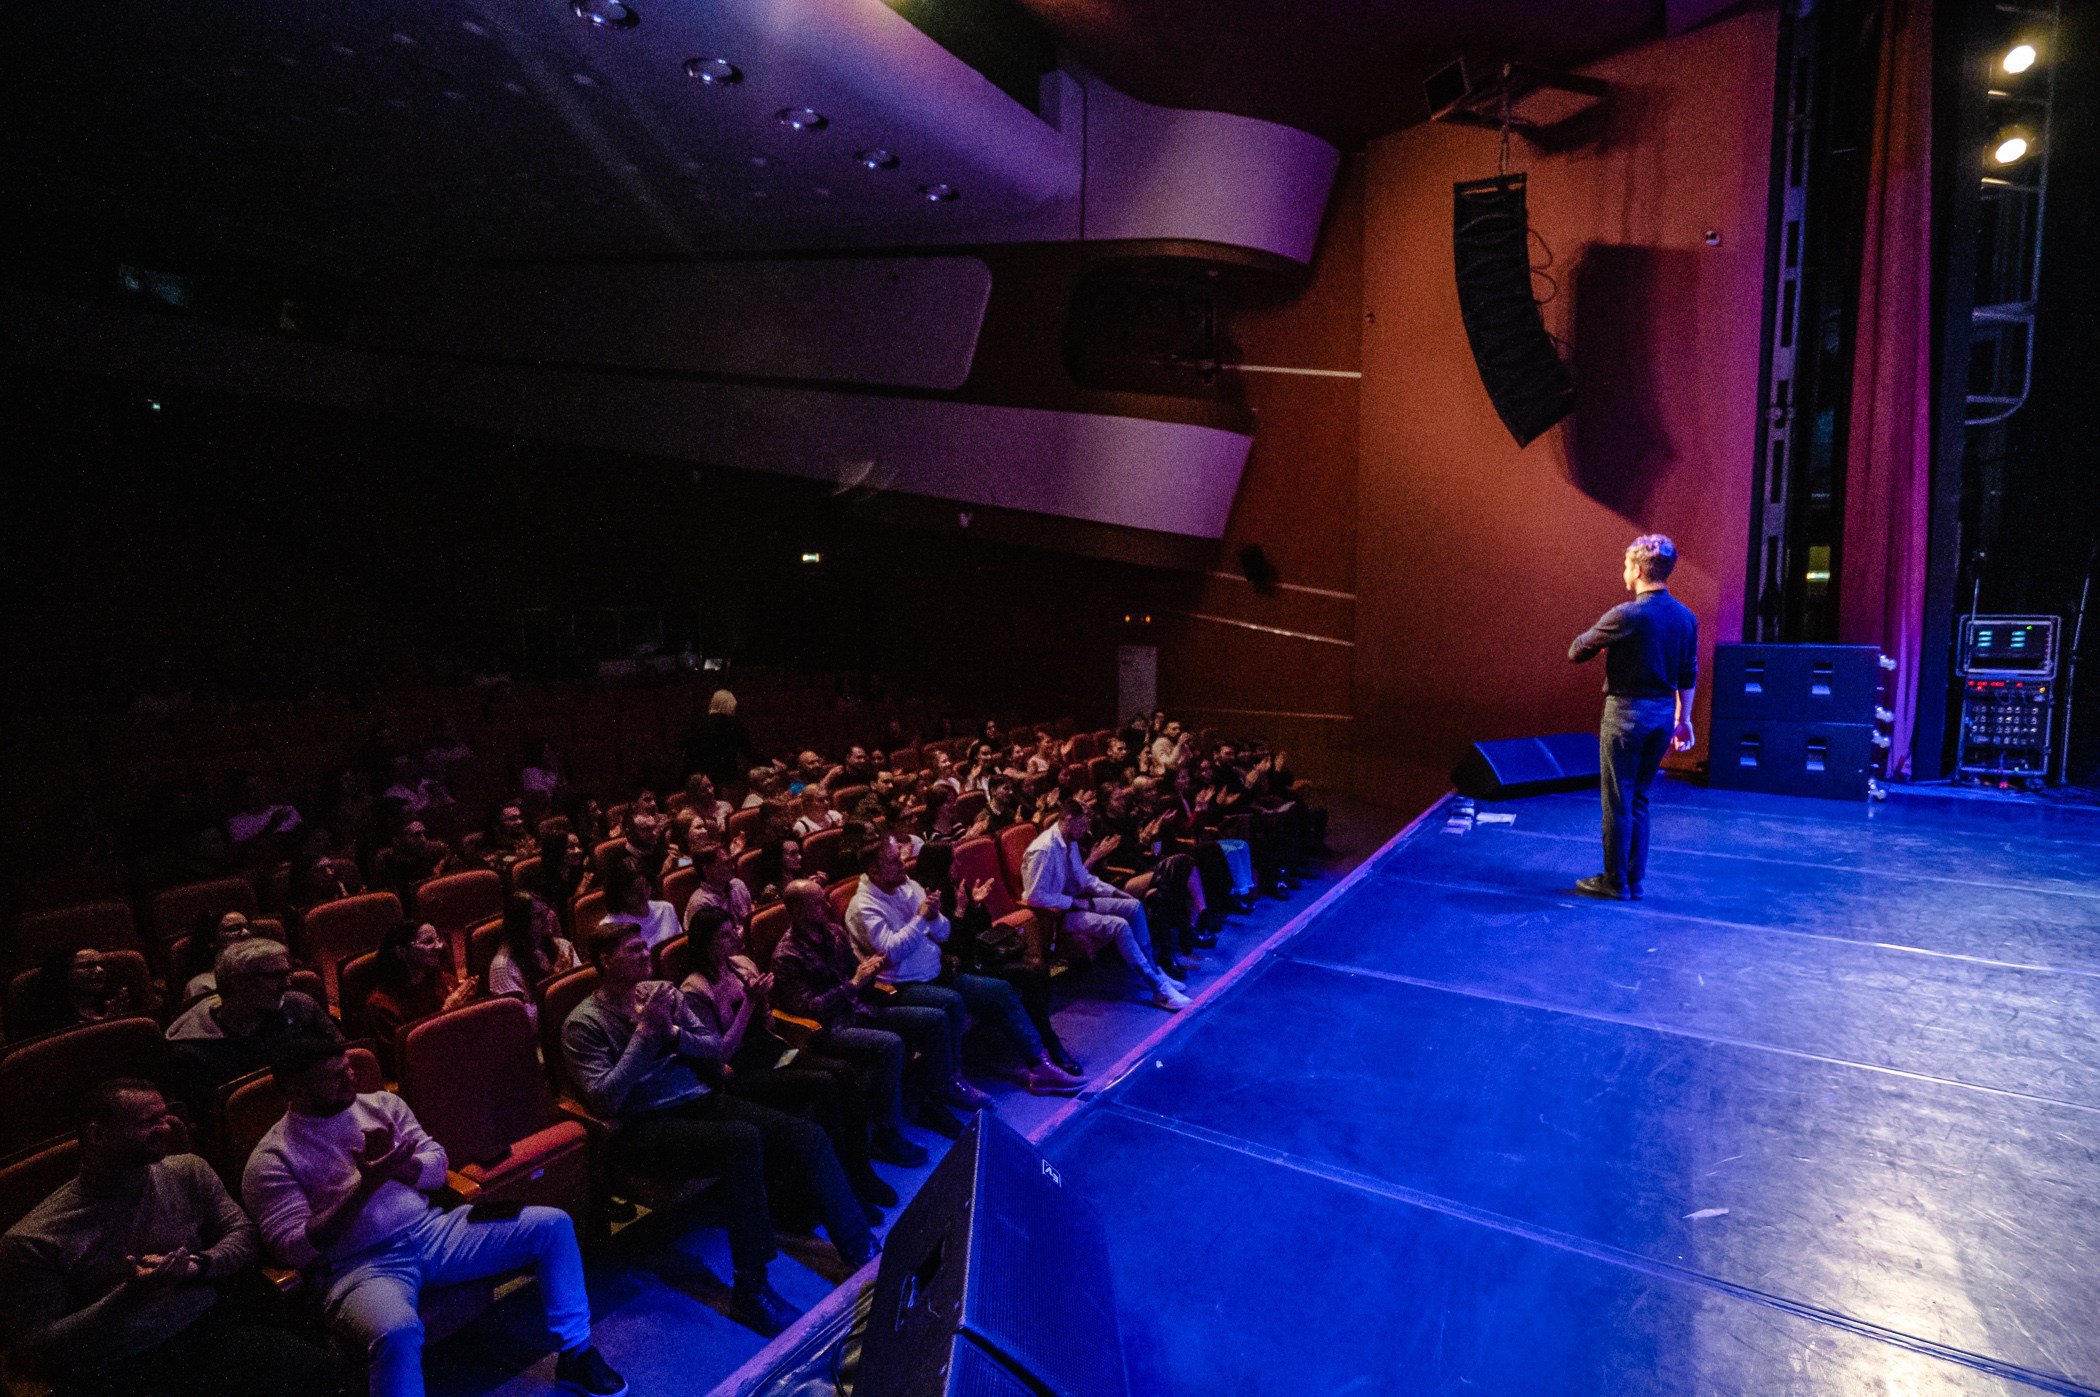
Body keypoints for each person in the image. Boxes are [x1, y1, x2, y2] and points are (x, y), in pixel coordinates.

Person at [242, 1036, 626, 1397]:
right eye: (334, 1076)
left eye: (348, 1068)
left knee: (552, 1225)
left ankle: (576, 1356)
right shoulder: (272, 1158)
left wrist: (399, 1167)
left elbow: (438, 1167)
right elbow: (295, 1248)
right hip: (358, 1269)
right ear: (294, 1090)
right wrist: (366, 1184)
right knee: (397, 1331)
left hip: (432, 1231)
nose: (350, 1078)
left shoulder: (382, 1105)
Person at [561, 923, 872, 1335]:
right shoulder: (583, 1023)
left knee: (805, 1134)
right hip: (643, 1126)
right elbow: (605, 1099)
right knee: (742, 1141)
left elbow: (716, 1047)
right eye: (634, 950)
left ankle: (859, 1247)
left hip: (700, 1101)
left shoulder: (664, 994)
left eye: (644, 947)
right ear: (606, 961)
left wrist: (670, 1033)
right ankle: (751, 1289)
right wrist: (643, 1036)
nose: (645, 954)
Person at [0, 1079, 344, 1397]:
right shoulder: (33, 1239)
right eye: (148, 1122)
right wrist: (126, 1298)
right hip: (124, 1365)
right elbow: (37, 1349)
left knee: (327, 1374)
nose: (165, 1128)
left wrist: (197, 1266)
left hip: (210, 1330)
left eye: (165, 1116)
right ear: (98, 1135)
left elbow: (243, 1236)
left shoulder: (188, 1170)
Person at [676, 905, 899, 1209]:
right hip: (739, 1072)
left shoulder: (741, 965)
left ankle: (860, 1172)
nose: (735, 939)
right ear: (706, 943)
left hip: (773, 1052)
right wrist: (749, 1005)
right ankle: (843, 1186)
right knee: (823, 1085)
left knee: (844, 1073)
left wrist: (763, 1004)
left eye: (734, 931)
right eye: (725, 936)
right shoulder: (695, 989)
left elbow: (768, 1024)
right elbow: (720, 1052)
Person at [847, 838, 1081, 1096]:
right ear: (873, 870)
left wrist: (935, 917)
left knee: (1000, 989)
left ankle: (1040, 1065)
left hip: (935, 970)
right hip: (901, 984)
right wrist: (921, 918)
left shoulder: (908, 887)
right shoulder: (863, 907)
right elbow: (890, 953)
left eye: (899, 857)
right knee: (953, 1001)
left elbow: (944, 933)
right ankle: (953, 1081)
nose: (903, 864)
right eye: (893, 861)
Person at [768, 881, 977, 1140]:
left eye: (824, 898)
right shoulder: (786, 955)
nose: (827, 905)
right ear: (798, 911)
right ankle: (886, 1133)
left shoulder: (833, 932)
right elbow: (809, 1009)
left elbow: (856, 971)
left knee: (934, 1019)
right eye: (818, 902)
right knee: (889, 1044)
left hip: (862, 1008)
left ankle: (933, 1104)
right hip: (830, 1028)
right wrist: (854, 983)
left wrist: (871, 968)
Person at [1568, 533, 1700, 901]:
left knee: (1617, 800)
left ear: (1639, 570)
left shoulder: (1625, 615)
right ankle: (1634, 880)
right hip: (1661, 718)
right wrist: (1683, 719)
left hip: (1625, 716)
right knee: (1639, 798)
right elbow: (1688, 673)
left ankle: (1613, 882)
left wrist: (1597, 638)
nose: (1624, 572)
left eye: (1627, 566)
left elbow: (1576, 652)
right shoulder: (1685, 618)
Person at [911, 843, 1080, 1075]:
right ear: (940, 863)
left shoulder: (957, 885)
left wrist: (977, 904)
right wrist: (960, 911)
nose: (957, 865)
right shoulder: (930, 896)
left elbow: (982, 929)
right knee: (1028, 973)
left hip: (979, 953)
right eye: (953, 860)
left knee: (1038, 967)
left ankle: (1044, 1032)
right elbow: (948, 944)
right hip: (960, 965)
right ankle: (1048, 1041)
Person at [1021, 802, 1189, 1011]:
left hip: (1074, 903)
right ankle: (1158, 988)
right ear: (1068, 820)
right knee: (1119, 925)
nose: (1085, 831)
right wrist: (1074, 902)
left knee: (1134, 906)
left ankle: (1154, 969)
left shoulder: (1069, 841)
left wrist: (1118, 893)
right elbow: (1035, 897)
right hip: (1056, 916)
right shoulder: (1043, 849)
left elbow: (1084, 879)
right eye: (1081, 826)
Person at [165, 938, 339, 1114]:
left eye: (287, 974)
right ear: (237, 981)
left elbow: (341, 1056)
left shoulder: (300, 1007)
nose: (287, 984)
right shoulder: (193, 1051)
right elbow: (214, 1123)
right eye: (274, 976)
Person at [359, 922, 478, 1059]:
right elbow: (406, 1058)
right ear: (401, 951)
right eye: (428, 942)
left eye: (438, 939)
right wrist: (446, 1012)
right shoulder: (381, 1005)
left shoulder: (445, 980)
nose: (439, 947)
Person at [15, 947, 152, 1039]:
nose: (99, 970)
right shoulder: (46, 1017)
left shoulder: (120, 998)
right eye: (87, 966)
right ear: (63, 973)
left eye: (101, 965)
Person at [486, 892, 579, 1022]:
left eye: (546, 913)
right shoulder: (502, 967)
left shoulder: (562, 946)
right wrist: (555, 988)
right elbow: (521, 1020)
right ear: (521, 922)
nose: (547, 920)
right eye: (538, 916)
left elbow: (581, 991)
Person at [684, 690, 760, 791]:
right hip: (728, 779)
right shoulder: (732, 725)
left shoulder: (697, 726)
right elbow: (749, 752)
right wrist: (770, 763)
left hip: (706, 780)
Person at [599, 859, 682, 950]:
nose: (643, 895)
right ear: (620, 893)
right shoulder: (610, 926)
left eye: (646, 887)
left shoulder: (666, 909)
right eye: (635, 891)